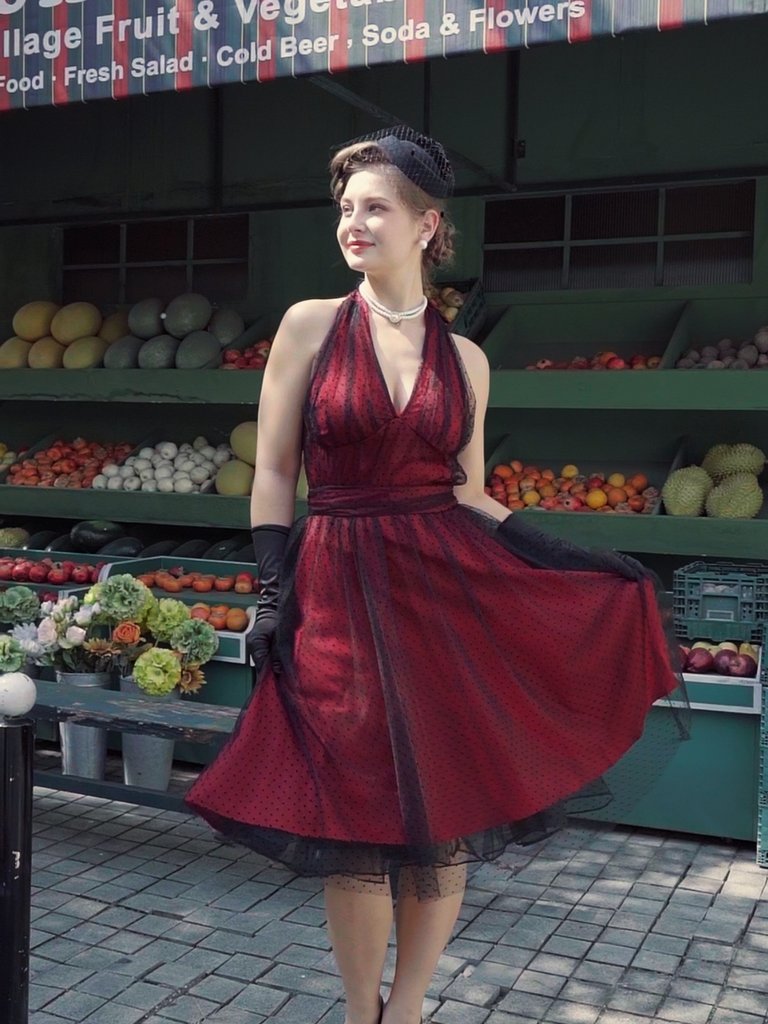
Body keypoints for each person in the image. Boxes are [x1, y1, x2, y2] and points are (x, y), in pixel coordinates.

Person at [185, 126, 682, 1024]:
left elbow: (472, 492)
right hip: (335, 584)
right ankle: (358, 1010)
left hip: (441, 592)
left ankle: (406, 1009)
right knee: (358, 819)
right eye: (345, 209)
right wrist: (270, 589)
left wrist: (567, 555)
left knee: (440, 810)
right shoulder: (308, 326)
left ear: (426, 224)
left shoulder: (469, 361)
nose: (354, 222)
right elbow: (271, 470)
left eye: (375, 207)